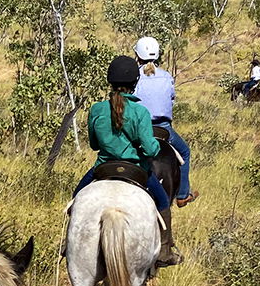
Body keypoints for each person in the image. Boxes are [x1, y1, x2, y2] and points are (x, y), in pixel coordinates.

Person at [73, 54, 181, 266]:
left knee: (77, 197)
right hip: (136, 169)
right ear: (135, 82)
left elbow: (94, 145)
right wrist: (153, 145)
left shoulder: (97, 109)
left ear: (110, 82)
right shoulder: (140, 111)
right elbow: (151, 149)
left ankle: (70, 246)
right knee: (161, 202)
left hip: (103, 167)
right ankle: (165, 251)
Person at [133, 36, 197, 207]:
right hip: (163, 128)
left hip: (139, 128)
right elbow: (171, 100)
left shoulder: (133, 77)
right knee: (184, 153)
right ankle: (183, 195)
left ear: (137, 55)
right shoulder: (166, 76)